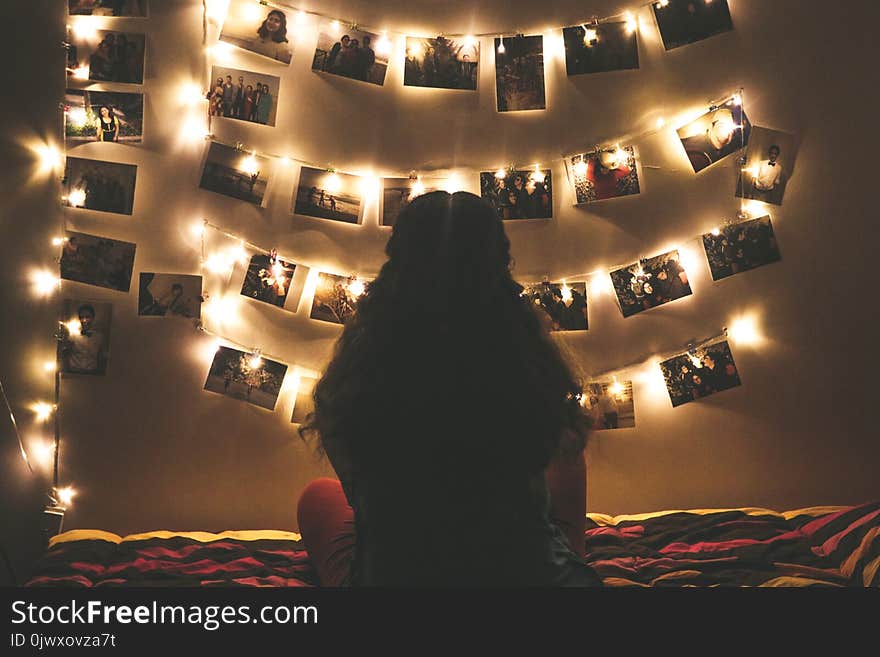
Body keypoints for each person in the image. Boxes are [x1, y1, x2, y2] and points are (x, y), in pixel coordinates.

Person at [296, 191, 602, 587]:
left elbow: (361, 498)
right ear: (499, 264)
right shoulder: (530, 373)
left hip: (399, 576)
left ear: (398, 264)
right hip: (530, 576)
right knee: (564, 469)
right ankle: (564, 555)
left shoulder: (357, 383)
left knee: (320, 498)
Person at [681, 107, 749, 173]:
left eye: (731, 130)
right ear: (710, 126)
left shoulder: (725, 151)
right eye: (722, 125)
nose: (727, 133)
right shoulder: (697, 155)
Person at [60, 304, 107, 375]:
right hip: (73, 372)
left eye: (87, 317)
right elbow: (65, 354)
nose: (84, 320)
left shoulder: (99, 337)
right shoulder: (72, 335)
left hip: (92, 374)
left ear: (93, 318)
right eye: (81, 317)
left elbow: (102, 357)